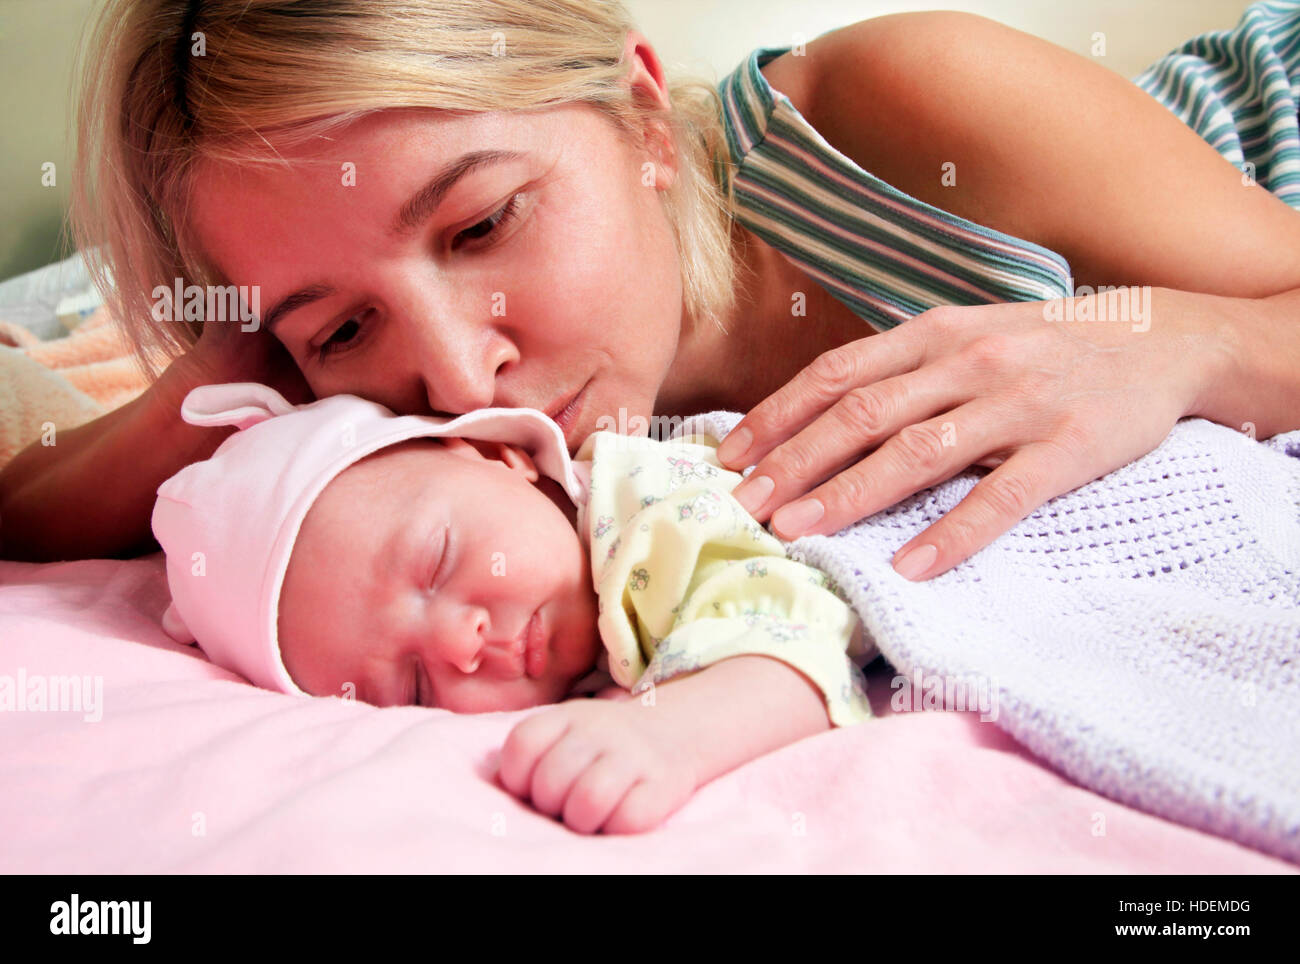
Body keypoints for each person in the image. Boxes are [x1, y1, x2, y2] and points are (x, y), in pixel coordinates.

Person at [3, 0, 1299, 581]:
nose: (456, 378)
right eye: (343, 320)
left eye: (480, 222)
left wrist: (1166, 346)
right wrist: (255, 357)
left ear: (639, 119)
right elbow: (24, 516)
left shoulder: (905, 109)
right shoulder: (369, 396)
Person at [152, 382, 876, 834]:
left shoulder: (655, 510)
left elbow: (796, 642)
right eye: (413, 687)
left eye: (437, 562)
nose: (460, 644)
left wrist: (669, 735)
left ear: (498, 456)